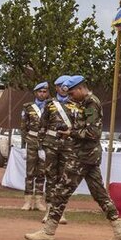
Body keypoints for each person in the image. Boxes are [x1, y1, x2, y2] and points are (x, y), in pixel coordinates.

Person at [25, 76, 121, 240]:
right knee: (99, 194)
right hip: (88, 156)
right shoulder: (86, 102)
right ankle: (120, 229)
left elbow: (93, 133)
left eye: (73, 92)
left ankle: (48, 232)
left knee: (61, 191)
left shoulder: (91, 103)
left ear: (81, 89)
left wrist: (70, 133)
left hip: (83, 155)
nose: (71, 97)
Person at [40, 75, 75, 225]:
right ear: (56, 88)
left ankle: (61, 211)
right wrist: (41, 145)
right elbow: (42, 124)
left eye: (65, 86)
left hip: (67, 145)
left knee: (64, 178)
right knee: (51, 177)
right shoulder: (49, 104)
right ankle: (49, 209)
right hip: (51, 144)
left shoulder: (76, 103)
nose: (63, 88)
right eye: (60, 86)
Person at [20, 82, 49, 211]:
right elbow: (23, 127)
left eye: (44, 92)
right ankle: (27, 201)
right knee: (30, 172)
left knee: (42, 172)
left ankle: (38, 201)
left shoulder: (51, 107)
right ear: (35, 93)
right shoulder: (28, 107)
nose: (42, 94)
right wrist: (23, 144)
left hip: (45, 143)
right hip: (31, 141)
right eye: (40, 92)